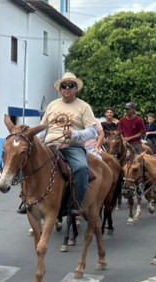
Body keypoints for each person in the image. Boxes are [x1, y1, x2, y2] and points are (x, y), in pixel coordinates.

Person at [41, 72, 99, 216]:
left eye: (70, 86)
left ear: (76, 89)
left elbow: (93, 131)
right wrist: (33, 140)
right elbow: (43, 128)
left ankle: (77, 203)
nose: (67, 88)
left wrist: (75, 134)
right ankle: (28, 200)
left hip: (71, 147)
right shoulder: (52, 105)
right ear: (59, 89)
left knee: (81, 167)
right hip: (49, 146)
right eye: (64, 86)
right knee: (26, 161)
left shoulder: (84, 107)